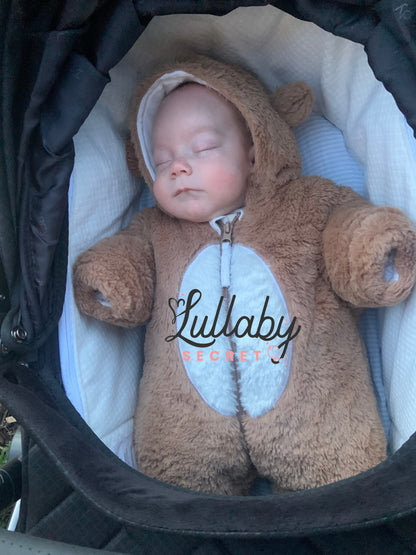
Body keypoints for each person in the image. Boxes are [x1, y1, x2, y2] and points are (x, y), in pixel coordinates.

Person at [74, 56, 416, 495]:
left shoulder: (305, 206)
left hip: (315, 413)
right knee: (175, 496)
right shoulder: (156, 232)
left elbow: (345, 236)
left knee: (344, 487)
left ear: (255, 151)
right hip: (187, 432)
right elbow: (128, 275)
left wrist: (372, 250)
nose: (178, 167)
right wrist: (109, 281)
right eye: (161, 162)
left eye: (201, 148)